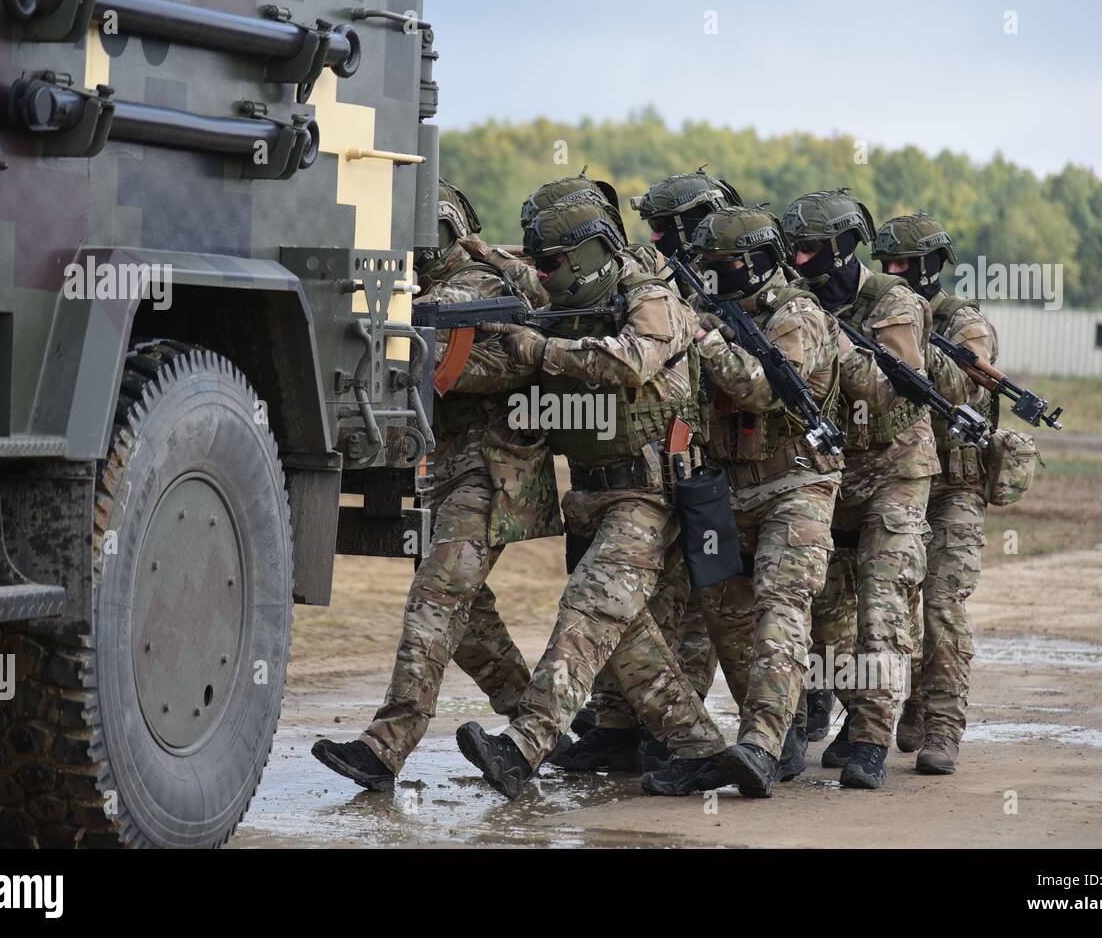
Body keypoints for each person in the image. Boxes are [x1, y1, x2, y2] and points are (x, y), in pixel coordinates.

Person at [454, 196, 728, 799]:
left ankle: (526, 742)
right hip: (592, 496)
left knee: (590, 607)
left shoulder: (651, 297)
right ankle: (699, 748)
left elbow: (631, 363)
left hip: (650, 493)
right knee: (623, 629)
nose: (543, 275)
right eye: (540, 262)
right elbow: (522, 272)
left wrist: (539, 350)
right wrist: (470, 248)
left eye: (553, 262)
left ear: (588, 256)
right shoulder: (571, 293)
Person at [311, 180, 562, 791]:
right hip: (455, 471)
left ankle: (384, 747)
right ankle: (543, 729)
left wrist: (411, 347)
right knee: (469, 621)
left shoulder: (473, 289)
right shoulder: (426, 295)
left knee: (436, 598)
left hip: (495, 471)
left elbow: (464, 369)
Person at [647, 206, 845, 796]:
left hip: (798, 485)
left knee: (781, 610)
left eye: (724, 266)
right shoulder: (716, 311)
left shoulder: (797, 314)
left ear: (757, 262)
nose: (712, 276)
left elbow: (760, 389)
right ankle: (766, 740)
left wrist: (706, 341)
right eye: (705, 266)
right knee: (721, 613)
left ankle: (758, 744)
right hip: (729, 488)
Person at [782, 188, 940, 790]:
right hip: (836, 473)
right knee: (825, 613)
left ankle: (873, 739)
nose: (799, 260)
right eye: (794, 249)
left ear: (844, 248)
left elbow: (887, 391)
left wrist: (833, 341)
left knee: (883, 609)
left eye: (812, 250)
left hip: (896, 474)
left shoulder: (894, 304)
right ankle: (849, 710)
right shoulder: (799, 302)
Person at [872, 211, 998, 774]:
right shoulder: (879, 312)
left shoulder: (965, 324)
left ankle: (943, 726)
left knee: (942, 606)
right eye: (886, 264)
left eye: (904, 264)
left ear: (931, 266)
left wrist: (912, 337)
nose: (894, 273)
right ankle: (898, 703)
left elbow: (964, 385)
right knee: (888, 605)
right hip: (899, 479)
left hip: (954, 483)